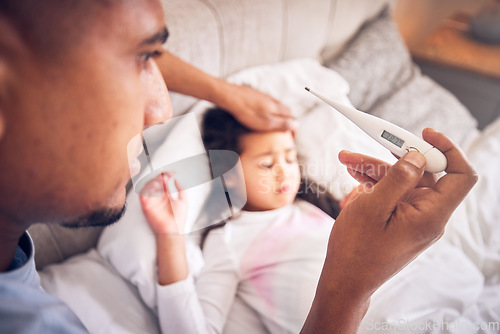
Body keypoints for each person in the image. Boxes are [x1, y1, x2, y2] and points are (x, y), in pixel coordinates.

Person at [0, 0, 477, 333]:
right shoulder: (229, 241)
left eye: (290, 157)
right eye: (142, 58)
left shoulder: (18, 270)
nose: (162, 113)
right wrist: (350, 290)